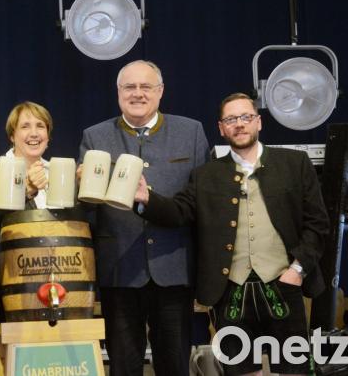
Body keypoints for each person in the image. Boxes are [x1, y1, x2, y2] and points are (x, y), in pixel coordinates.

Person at [134, 92, 330, 376]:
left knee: (293, 370)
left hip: (283, 284)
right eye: (231, 119)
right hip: (229, 291)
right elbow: (179, 212)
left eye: (246, 117)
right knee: (240, 371)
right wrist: (146, 199)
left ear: (258, 122)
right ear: (221, 127)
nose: (239, 124)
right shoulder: (206, 175)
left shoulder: (294, 163)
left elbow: (317, 224)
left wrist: (297, 269)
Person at [78, 60, 210, 376]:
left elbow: (200, 203)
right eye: (129, 87)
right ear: (118, 92)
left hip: (174, 269)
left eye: (145, 86)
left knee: (175, 364)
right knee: (123, 365)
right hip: (120, 270)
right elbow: (88, 209)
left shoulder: (190, 132)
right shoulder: (94, 136)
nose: (137, 93)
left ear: (160, 92)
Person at [0, 101, 57, 333]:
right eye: (25, 126)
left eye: (40, 126)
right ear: (12, 136)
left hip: (60, 277)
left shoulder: (57, 171)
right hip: (11, 280)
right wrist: (26, 191)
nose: (34, 133)